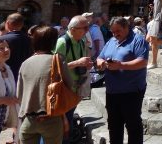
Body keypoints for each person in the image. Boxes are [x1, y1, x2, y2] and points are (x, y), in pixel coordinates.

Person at [97, 17, 149, 144]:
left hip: (131, 91)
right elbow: (99, 57)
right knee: (114, 125)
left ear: (126, 27)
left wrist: (120, 65)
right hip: (112, 91)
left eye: (118, 31)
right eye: (113, 32)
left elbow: (142, 62)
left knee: (133, 125)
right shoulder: (112, 41)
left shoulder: (138, 41)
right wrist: (101, 63)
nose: (115, 34)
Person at [18, 26, 71, 144]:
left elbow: (20, 94)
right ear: (53, 42)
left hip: (29, 119)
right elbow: (69, 86)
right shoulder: (58, 60)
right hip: (52, 118)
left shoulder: (25, 63)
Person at [55, 15, 92, 144]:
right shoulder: (63, 42)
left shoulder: (81, 41)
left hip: (76, 88)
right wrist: (77, 63)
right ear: (73, 29)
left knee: (68, 120)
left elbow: (80, 62)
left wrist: (86, 64)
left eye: (88, 27)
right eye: (84, 28)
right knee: (63, 123)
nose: (87, 30)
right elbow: (56, 67)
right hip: (64, 89)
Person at [0, 40, 19, 143]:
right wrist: (4, 100)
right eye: (1, 48)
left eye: (7, 47)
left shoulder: (6, 69)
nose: (7, 50)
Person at [0, 13, 32, 83]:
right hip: (25, 77)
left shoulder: (1, 40)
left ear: (7, 23)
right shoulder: (31, 40)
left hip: (6, 77)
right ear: (22, 25)